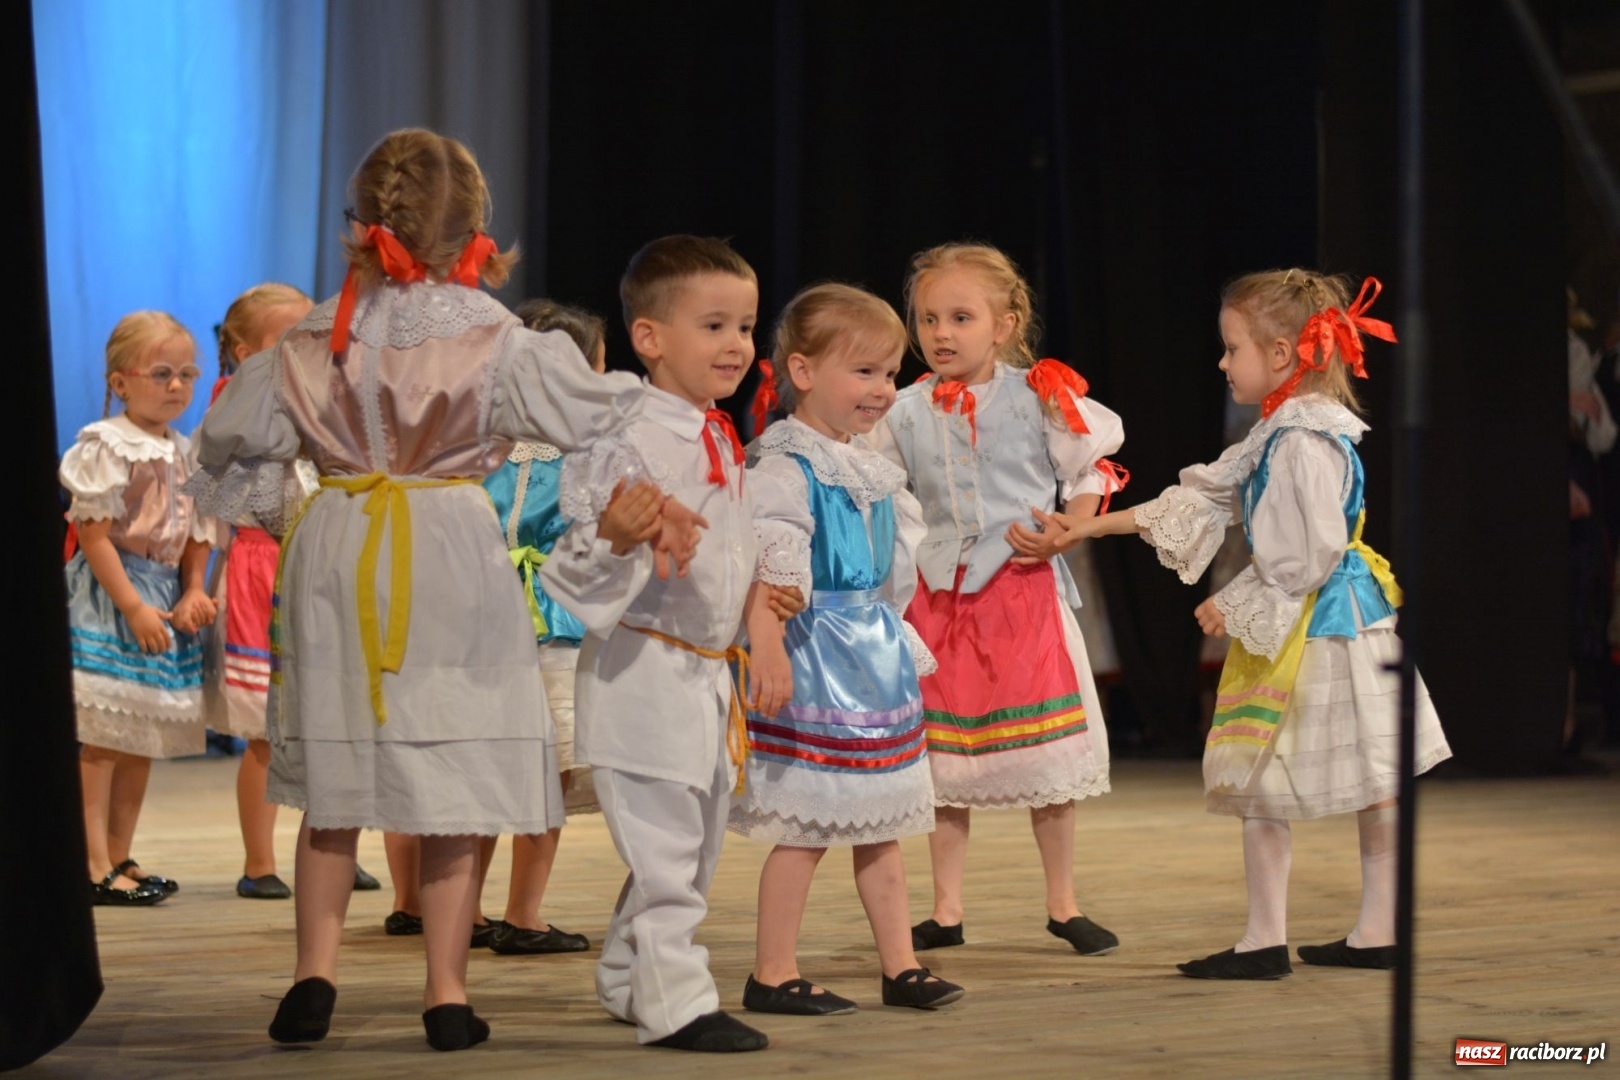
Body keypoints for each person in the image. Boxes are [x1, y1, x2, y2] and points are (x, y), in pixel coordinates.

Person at [188, 129, 685, 1050]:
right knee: (457, 771)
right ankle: (445, 993)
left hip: (341, 540)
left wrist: (300, 506)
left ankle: (313, 979)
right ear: (476, 233)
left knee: (338, 782)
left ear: (362, 224)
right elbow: (594, 421)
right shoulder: (494, 335)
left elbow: (226, 442)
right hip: (448, 538)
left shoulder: (308, 335)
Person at [1064, 270, 1451, 978]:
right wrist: (1088, 528)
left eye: (1231, 347)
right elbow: (1204, 494)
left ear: (1279, 354)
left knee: (1290, 774)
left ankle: (1305, 936)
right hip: (1325, 620)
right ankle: (1324, 933)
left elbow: (1309, 554)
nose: (1221, 362)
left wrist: (1238, 595)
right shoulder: (1279, 431)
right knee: (1343, 780)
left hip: (1325, 628)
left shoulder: (1303, 440)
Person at [540, 235, 777, 1053]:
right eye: (714, 325)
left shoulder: (715, 433)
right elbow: (571, 575)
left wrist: (758, 617)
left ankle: (625, 976)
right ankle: (677, 1004)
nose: (737, 345)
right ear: (649, 338)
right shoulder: (626, 436)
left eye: (745, 326)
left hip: (705, 679)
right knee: (668, 851)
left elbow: (728, 545)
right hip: (642, 670)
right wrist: (614, 537)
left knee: (693, 846)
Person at [869, 242, 1125, 956]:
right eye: (927, 319)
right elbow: (877, 484)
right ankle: (945, 910)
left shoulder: (1036, 395)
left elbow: (1091, 466)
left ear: (1005, 325)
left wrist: (1072, 521)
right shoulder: (906, 409)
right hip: (940, 599)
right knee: (948, 765)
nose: (940, 334)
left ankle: (1063, 902)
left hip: (1020, 591)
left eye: (960, 317)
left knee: (1047, 759)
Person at [736, 283, 963, 1016]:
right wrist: (767, 650)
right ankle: (772, 971)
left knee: (885, 822)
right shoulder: (784, 465)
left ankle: (901, 965)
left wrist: (895, 636)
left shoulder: (866, 465)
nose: (881, 389)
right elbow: (772, 572)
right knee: (807, 828)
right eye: (863, 372)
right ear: (802, 372)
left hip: (872, 654)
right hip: (817, 658)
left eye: (890, 374)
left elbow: (894, 571)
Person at [203, 283, 383, 900]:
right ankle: (259, 861)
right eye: (286, 337)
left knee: (335, 718)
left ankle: (333, 843)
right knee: (265, 726)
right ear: (245, 350)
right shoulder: (240, 403)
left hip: (324, 563)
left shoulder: (329, 398)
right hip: (264, 568)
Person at [63, 310, 217, 906]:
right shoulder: (107, 444)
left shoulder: (186, 450)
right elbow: (95, 535)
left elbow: (200, 529)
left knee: (141, 736)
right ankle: (90, 858)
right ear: (122, 382)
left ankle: (120, 851)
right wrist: (131, 606)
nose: (176, 386)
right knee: (104, 736)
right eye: (161, 373)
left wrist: (194, 588)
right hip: (115, 595)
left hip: (163, 594)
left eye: (186, 373)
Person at [476, 298, 609, 953]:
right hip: (549, 626)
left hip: (488, 622)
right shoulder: (580, 457)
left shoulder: (485, 453)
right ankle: (521, 914)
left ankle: (468, 911)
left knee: (492, 769)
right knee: (542, 774)